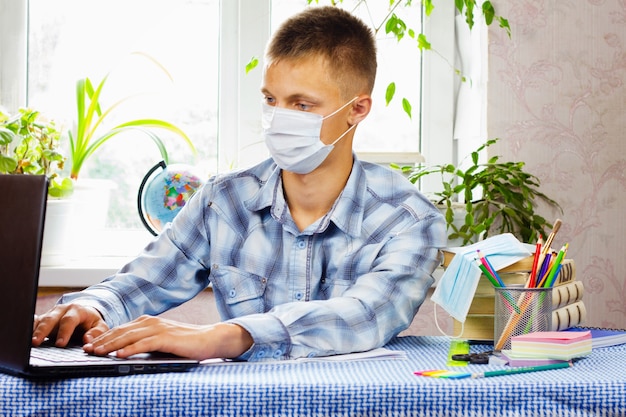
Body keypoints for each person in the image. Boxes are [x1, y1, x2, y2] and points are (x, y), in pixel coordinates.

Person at [32, 6, 446, 362]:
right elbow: (146, 281)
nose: (279, 118)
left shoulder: (409, 219)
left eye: (301, 105)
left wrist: (224, 336)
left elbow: (369, 313)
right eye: (271, 100)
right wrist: (90, 306)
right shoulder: (223, 201)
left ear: (357, 109)